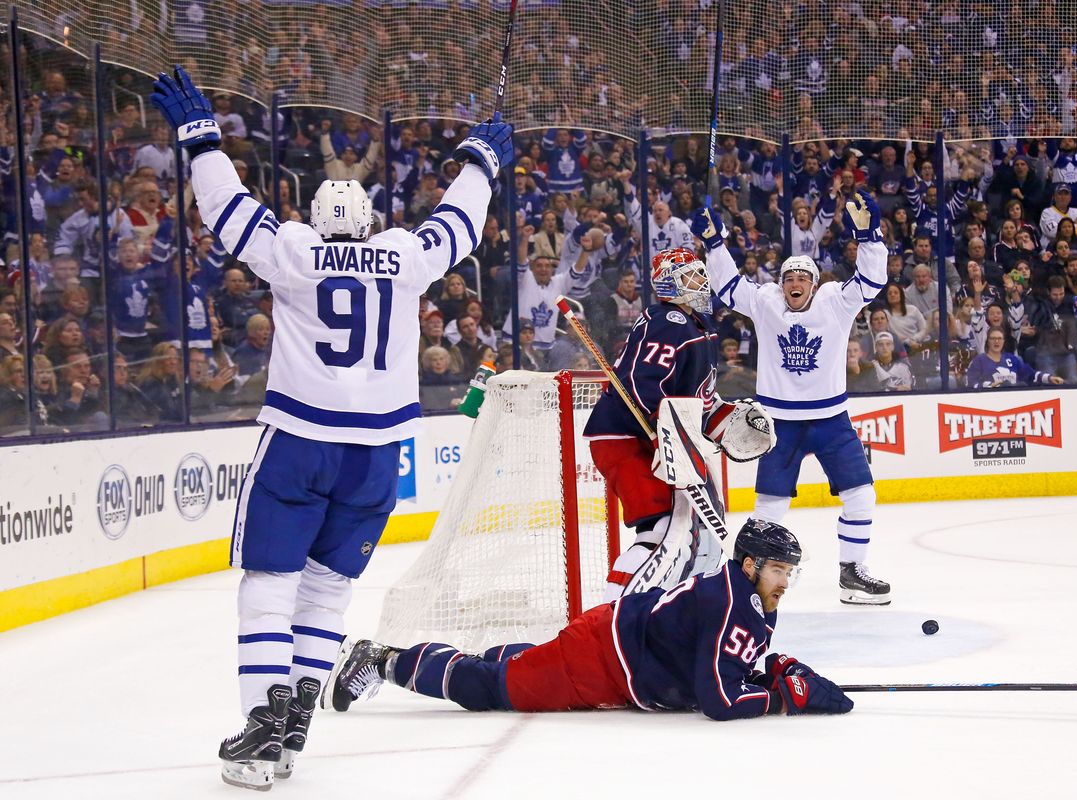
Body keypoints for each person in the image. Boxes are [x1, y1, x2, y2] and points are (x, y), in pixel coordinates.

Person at [150, 65, 513, 790]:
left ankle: (262, 725)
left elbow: (227, 210)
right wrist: (480, 165)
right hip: (378, 454)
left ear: (319, 218)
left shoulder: (293, 249)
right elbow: (459, 227)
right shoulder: (404, 255)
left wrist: (201, 142)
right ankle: (299, 712)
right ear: (371, 223)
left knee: (268, 582)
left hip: (300, 439)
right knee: (327, 589)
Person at [324, 520, 853, 721]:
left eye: (790, 571)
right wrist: (776, 696)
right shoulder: (730, 601)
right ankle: (385, 661)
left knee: (520, 667)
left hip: (613, 650)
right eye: (778, 569)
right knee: (497, 690)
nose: (784, 579)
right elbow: (717, 700)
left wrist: (768, 672)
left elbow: (718, 668)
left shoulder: (752, 601)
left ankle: (493, 659)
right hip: (601, 656)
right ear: (750, 565)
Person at [698, 189, 892, 605]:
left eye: (802, 278)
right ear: (780, 284)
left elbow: (874, 281)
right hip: (778, 424)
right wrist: (714, 245)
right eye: (788, 278)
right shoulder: (766, 302)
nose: (795, 284)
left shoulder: (835, 301)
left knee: (862, 496)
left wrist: (871, 235)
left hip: (831, 421)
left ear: (815, 282)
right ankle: (744, 582)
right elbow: (729, 287)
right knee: (769, 508)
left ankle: (852, 573)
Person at [583, 246, 773, 602]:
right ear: (669, 285)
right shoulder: (666, 321)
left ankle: (669, 606)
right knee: (658, 529)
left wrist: (726, 420)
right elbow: (642, 382)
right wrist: (664, 432)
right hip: (625, 437)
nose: (701, 282)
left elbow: (697, 401)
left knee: (691, 530)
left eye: (702, 275)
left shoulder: (700, 327)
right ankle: (610, 615)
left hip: (661, 439)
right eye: (690, 277)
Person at [967, 326, 1066, 388]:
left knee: (1022, 385)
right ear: (988, 341)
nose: (996, 342)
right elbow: (971, 384)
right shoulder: (979, 361)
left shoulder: (1012, 359)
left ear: (1003, 341)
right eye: (993, 339)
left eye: (999, 339)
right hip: (991, 401)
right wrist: (989, 386)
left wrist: (1049, 378)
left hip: (1015, 401)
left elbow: (1030, 374)